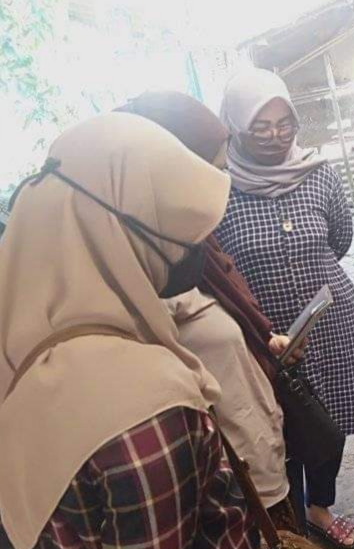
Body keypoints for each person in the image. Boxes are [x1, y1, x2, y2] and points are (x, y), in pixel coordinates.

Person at [0, 113, 256, 549]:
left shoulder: (24, 350)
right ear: (116, 230)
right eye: (178, 231)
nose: (195, 249)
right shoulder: (146, 401)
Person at [117, 91, 301, 533]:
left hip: (259, 458)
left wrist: (261, 342)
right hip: (227, 490)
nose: (222, 187)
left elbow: (220, 331)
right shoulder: (141, 278)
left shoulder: (193, 246)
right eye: (213, 171)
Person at [214, 68, 354, 549]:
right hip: (261, 339)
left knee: (330, 424)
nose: (275, 136)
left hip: (330, 328)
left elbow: (339, 239)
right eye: (260, 127)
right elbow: (217, 269)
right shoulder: (218, 189)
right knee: (273, 433)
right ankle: (286, 523)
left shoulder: (319, 174)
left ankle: (319, 508)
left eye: (285, 125)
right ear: (235, 127)